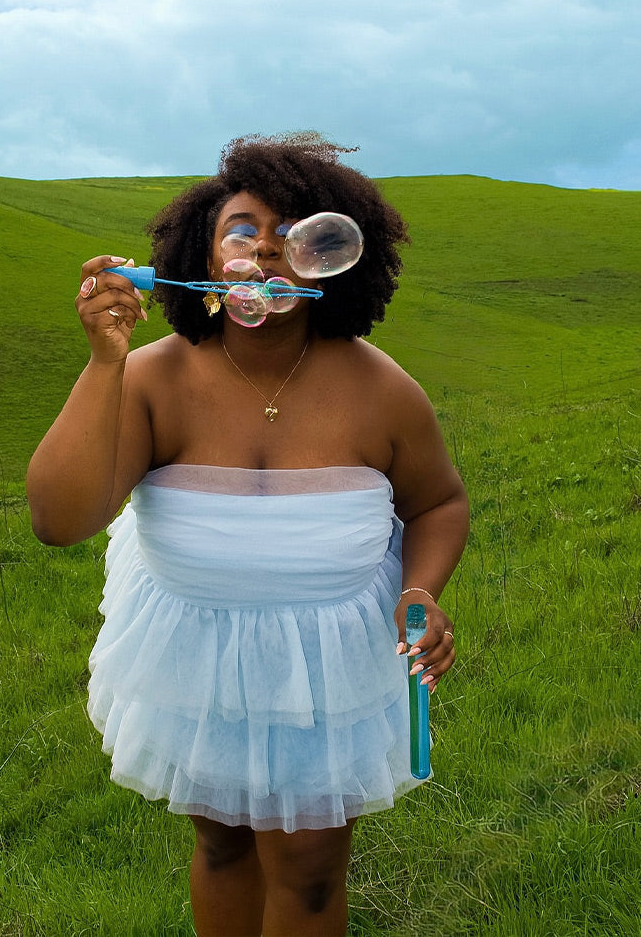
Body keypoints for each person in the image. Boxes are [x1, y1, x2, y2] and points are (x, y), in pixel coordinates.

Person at [27, 133, 469, 937]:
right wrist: (104, 363)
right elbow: (59, 521)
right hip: (197, 658)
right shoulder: (154, 378)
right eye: (242, 229)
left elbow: (439, 503)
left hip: (328, 666)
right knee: (223, 844)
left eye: (297, 233)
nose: (264, 247)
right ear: (200, 253)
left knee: (305, 873)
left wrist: (420, 589)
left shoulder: (382, 389)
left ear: (331, 262)